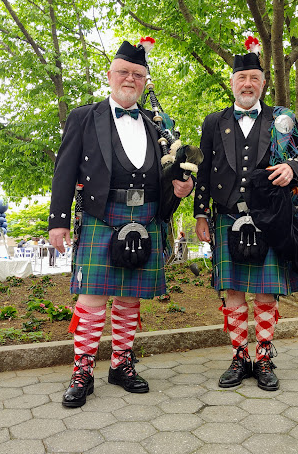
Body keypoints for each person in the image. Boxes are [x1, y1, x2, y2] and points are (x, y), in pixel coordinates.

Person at [49, 40, 193, 408]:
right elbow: (64, 170)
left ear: (145, 82)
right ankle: (82, 369)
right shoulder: (85, 116)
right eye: (124, 72)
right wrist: (58, 221)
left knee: (131, 297)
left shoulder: (155, 123)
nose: (131, 79)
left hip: (144, 216)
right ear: (110, 76)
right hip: (101, 216)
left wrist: (181, 186)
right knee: (92, 297)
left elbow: (167, 176)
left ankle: (121, 363)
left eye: (138, 75)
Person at [194, 40, 298, 392]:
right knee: (232, 290)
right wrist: (200, 215)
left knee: (267, 293)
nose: (247, 83)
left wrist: (293, 168)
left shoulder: (282, 119)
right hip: (226, 216)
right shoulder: (213, 121)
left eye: (254, 77)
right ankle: (240, 356)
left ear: (263, 83)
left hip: (270, 217)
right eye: (241, 77)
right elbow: (204, 173)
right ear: (232, 82)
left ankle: (263, 355)